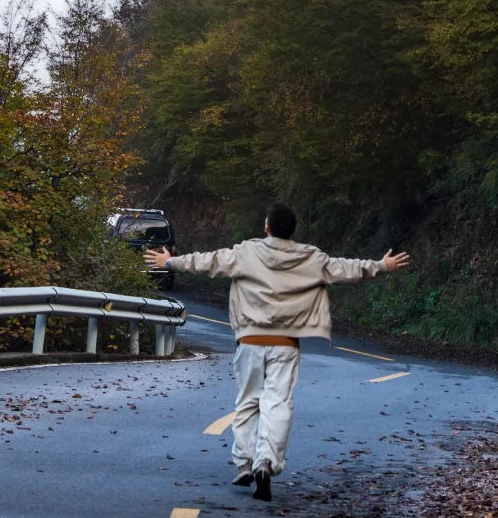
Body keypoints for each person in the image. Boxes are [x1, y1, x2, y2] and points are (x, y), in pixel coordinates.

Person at [145, 206, 410, 501]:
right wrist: (381, 266)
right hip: (285, 342)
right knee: (278, 403)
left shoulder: (247, 252)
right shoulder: (310, 257)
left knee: (248, 402)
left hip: (250, 339)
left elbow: (210, 262)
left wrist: (171, 263)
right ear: (291, 230)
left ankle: (244, 463)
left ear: (267, 226)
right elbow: (345, 269)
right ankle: (266, 462)